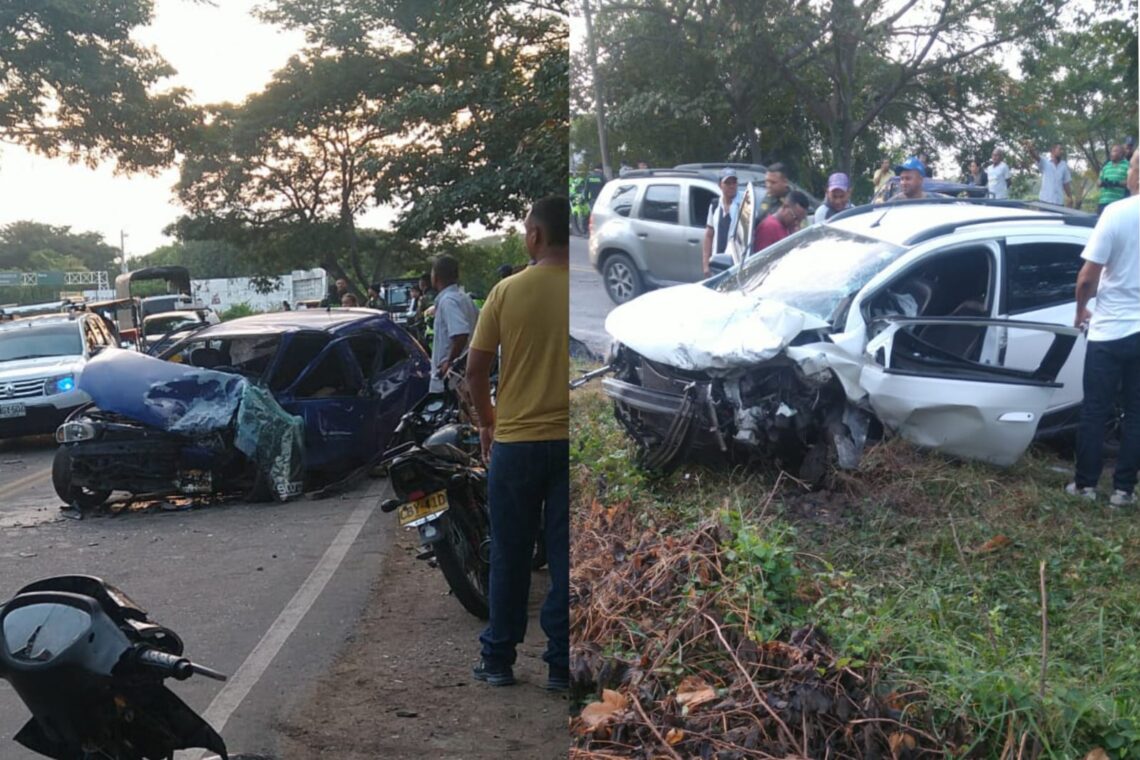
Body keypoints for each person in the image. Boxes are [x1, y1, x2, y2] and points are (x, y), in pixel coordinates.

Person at [465, 196, 569, 691]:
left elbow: (475, 368)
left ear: (536, 236)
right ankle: (560, 665)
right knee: (567, 556)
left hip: (517, 443)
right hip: (571, 444)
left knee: (509, 553)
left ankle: (500, 660)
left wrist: (488, 422)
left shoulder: (506, 292)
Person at [1067, 150, 1140, 507]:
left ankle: (1085, 486)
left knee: (1095, 409)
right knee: (1137, 413)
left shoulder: (1116, 212)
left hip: (1109, 330)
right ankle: (1124, 491)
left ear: (1133, 174)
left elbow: (1087, 278)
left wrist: (1081, 310)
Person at [428, 255, 479, 394]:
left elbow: (461, 333)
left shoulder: (448, 301)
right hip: (464, 374)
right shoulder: (465, 298)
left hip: (450, 380)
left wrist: (449, 362)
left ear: (436, 276)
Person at [701, 167, 743, 277]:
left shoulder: (744, 204)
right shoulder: (715, 205)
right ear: (720, 185)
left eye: (734, 182)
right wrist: (706, 265)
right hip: (717, 264)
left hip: (736, 264)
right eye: (727, 183)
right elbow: (709, 235)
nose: (732, 186)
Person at [1025, 141, 1073, 207]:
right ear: (1053, 150)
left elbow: (1066, 183)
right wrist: (1030, 149)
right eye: (1060, 149)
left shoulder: (1064, 165)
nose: (1061, 151)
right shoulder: (1045, 162)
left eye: (1062, 150)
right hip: (1045, 202)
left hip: (1058, 203)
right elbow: (1036, 157)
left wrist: (1070, 197)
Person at [1097, 143, 1129, 215]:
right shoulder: (1106, 166)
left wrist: (1115, 183)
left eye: (1115, 151)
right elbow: (1098, 182)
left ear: (1121, 153)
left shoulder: (1127, 165)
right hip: (1103, 202)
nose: (1112, 153)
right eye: (1111, 151)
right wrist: (1103, 183)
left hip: (1117, 203)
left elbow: (1130, 182)